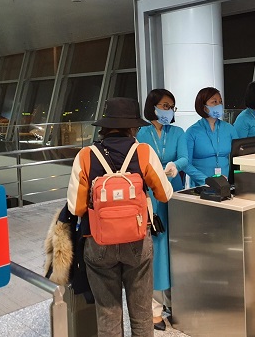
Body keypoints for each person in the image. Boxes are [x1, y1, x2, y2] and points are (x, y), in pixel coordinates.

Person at [66, 97, 174, 337]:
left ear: (104, 126)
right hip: (137, 240)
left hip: (98, 242)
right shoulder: (143, 152)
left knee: (108, 315)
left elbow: (76, 207)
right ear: (133, 127)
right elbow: (165, 195)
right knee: (142, 314)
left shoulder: (86, 155)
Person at [137, 89, 188, 331]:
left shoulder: (178, 133)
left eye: (171, 107)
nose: (168, 110)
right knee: (156, 250)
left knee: (175, 248)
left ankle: (175, 302)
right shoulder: (141, 133)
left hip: (174, 196)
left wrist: (175, 165)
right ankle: (154, 309)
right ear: (153, 107)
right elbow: (138, 163)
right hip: (151, 197)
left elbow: (185, 157)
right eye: (165, 106)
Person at [185, 87, 238, 186]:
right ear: (203, 106)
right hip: (201, 186)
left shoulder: (229, 129)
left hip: (225, 184)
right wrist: (206, 180)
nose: (219, 105)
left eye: (220, 102)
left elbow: (238, 156)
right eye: (214, 102)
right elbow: (186, 164)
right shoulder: (192, 132)